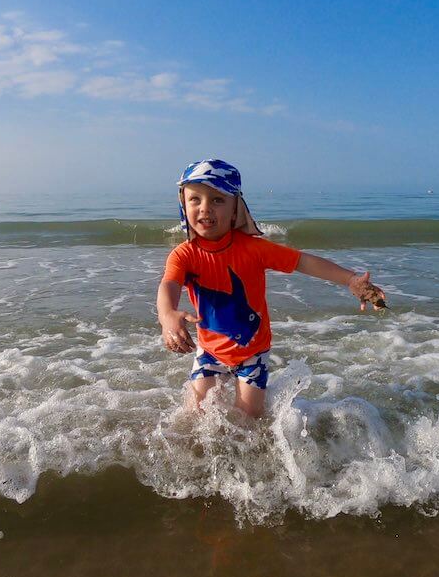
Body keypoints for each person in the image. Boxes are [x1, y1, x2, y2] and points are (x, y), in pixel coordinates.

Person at [157, 159, 386, 417]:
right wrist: (167, 315)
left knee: (249, 418)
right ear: (183, 205)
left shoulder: (254, 249)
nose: (205, 208)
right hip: (210, 350)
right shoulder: (183, 255)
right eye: (195, 199)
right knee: (196, 413)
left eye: (217, 200)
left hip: (253, 351)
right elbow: (169, 284)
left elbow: (303, 262)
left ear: (236, 209)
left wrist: (350, 279)